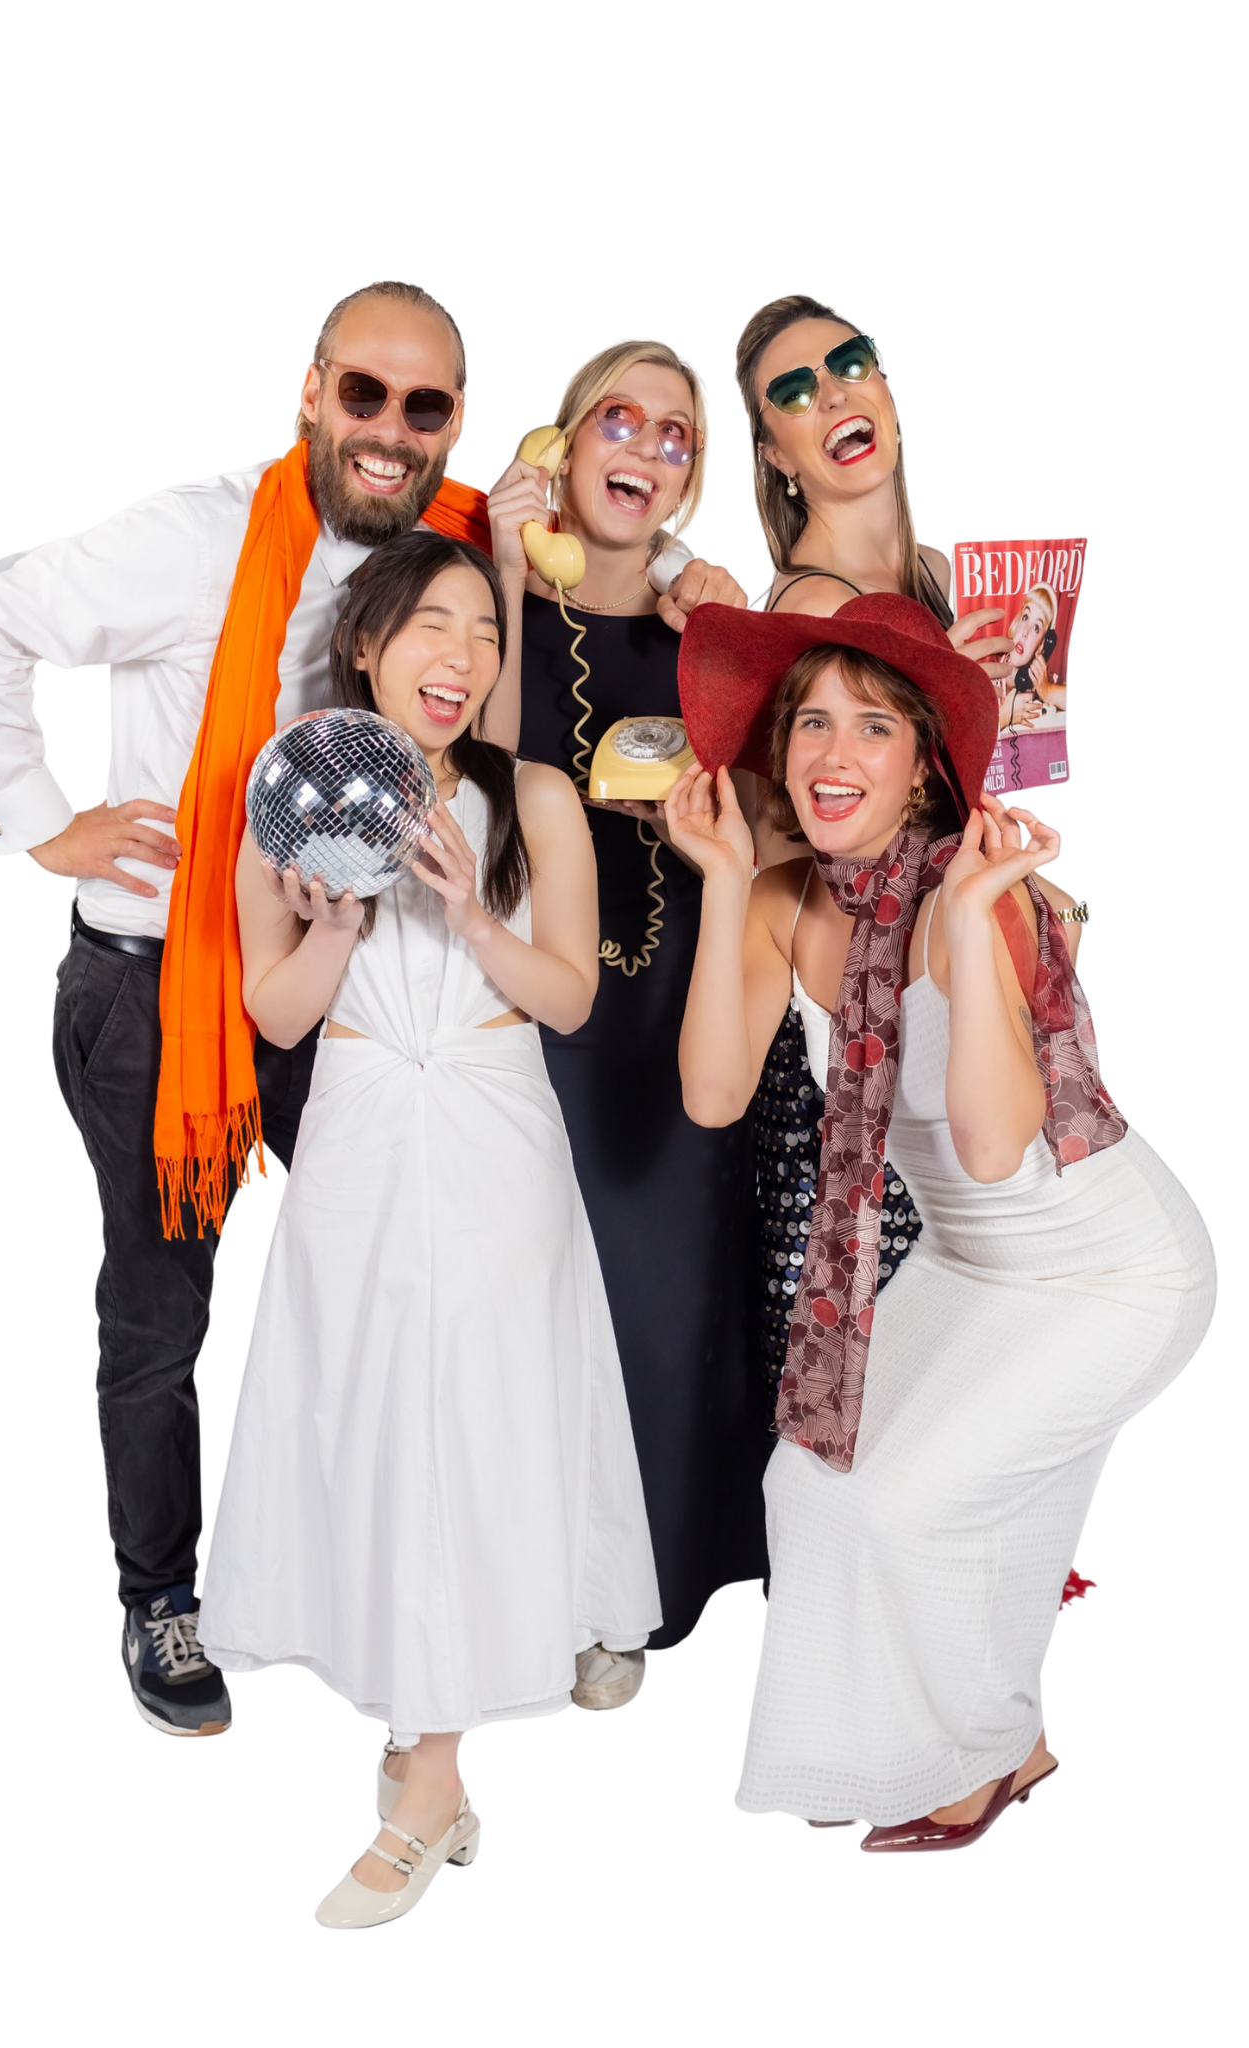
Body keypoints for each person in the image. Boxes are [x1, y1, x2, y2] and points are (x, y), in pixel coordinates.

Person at [0, 279, 497, 1737]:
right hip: (164, 996)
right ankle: (160, 1593)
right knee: (162, 1334)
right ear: (311, 393)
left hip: (360, 985)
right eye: (364, 394)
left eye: (423, 408)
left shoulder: (459, 552)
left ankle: (340, 1584)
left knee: (359, 1299)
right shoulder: (193, 534)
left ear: (453, 428)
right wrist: (42, 824)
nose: (389, 429)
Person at [671, 592, 1217, 1848]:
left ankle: (976, 1767)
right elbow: (710, 1093)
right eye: (809, 723)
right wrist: (716, 882)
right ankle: (1000, 1742)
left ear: (923, 763)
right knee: (808, 1488)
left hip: (1108, 1269)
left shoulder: (978, 891)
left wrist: (967, 925)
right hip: (977, 1266)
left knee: (911, 1506)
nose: (831, 754)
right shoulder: (775, 899)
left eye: (870, 726)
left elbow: (989, 1139)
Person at [195, 531, 660, 1928]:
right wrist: (333, 922)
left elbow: (570, 996)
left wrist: (465, 910)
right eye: (429, 629)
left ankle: (420, 1795)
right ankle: (428, 1792)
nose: (459, 659)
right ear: (365, 646)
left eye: (481, 634)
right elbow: (276, 1013)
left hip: (492, 1130)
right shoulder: (286, 795)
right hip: (351, 1139)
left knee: (472, 1431)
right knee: (376, 1431)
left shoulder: (532, 799)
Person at [483, 339, 765, 1709]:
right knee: (525, 1308)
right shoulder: (486, 607)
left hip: (671, 1005)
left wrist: (721, 616)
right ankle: (521, 1577)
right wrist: (494, 558)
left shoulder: (707, 629)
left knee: (659, 1307)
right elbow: (466, 752)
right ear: (563, 444)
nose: (642, 446)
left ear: (685, 483)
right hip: (518, 1009)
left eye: (674, 434)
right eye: (616, 418)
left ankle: (640, 1601)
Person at [733, 292, 1018, 1399]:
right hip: (854, 1098)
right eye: (793, 392)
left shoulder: (952, 593)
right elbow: (785, 863)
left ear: (890, 388)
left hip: (966, 1050)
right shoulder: (802, 611)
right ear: (778, 454)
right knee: (898, 1432)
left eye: (849, 363)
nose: (834, 393)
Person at [996, 583, 1065, 730]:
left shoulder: (1044, 682)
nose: (1025, 632)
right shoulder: (987, 673)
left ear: (1041, 646)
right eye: (1025, 617)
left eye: (1036, 628)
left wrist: (1048, 692)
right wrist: (1002, 718)